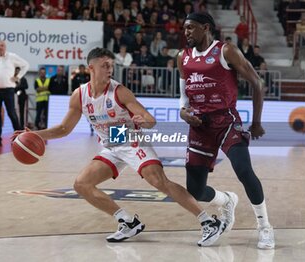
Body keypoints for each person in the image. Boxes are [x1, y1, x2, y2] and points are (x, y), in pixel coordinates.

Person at [12, 47, 226, 246]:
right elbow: (63, 129)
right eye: (105, 65)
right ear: (91, 68)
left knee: (159, 181)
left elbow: (150, 119)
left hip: (131, 138)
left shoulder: (119, 91)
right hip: (112, 143)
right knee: (81, 184)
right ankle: (128, 221)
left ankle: (209, 221)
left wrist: (144, 120)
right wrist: (32, 134)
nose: (109, 69)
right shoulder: (80, 95)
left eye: (111, 65)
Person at [177, 12, 275, 249]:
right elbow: (183, 99)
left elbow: (257, 83)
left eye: (190, 28)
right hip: (199, 127)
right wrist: (183, 113)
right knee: (196, 191)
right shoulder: (183, 57)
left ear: (206, 27)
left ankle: (265, 227)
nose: (186, 32)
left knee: (244, 171)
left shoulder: (225, 50)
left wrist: (257, 122)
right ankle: (226, 200)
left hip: (226, 121)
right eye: (185, 28)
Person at [0, 40, 29, 147]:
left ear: (5, 47)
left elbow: (26, 65)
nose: (0, 47)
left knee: (12, 113)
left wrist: (18, 77)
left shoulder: (12, 57)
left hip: (8, 90)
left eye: (2, 45)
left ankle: (19, 137)